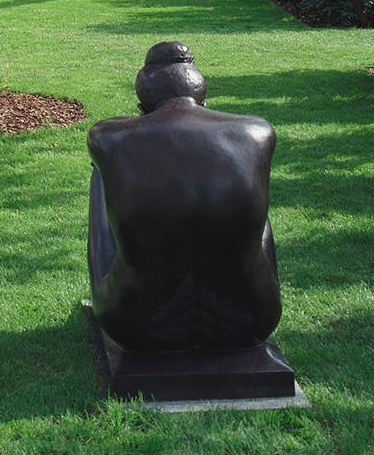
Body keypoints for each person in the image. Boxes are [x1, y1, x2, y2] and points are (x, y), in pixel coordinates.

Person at [87, 41, 281, 352]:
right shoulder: (257, 132)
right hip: (253, 318)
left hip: (133, 323)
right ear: (204, 102)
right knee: (245, 177)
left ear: (142, 109)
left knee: (102, 171)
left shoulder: (108, 137)